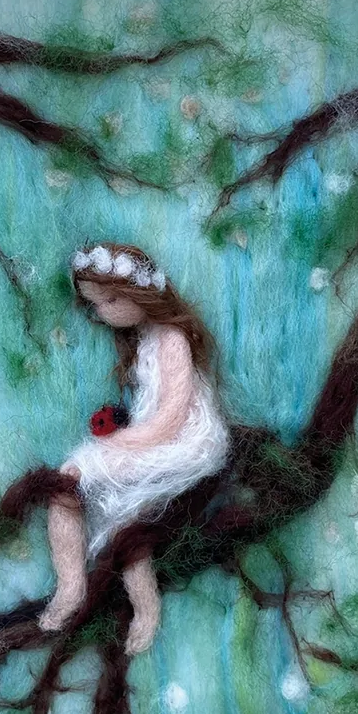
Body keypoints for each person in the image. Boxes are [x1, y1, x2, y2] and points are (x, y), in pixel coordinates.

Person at [40, 242, 230, 653]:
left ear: (141, 293)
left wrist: (121, 443)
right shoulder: (145, 339)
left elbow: (172, 417)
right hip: (159, 436)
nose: (103, 312)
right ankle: (74, 587)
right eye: (96, 304)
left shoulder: (172, 339)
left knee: (75, 476)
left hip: (187, 442)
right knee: (113, 507)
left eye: (111, 300)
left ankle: (118, 601)